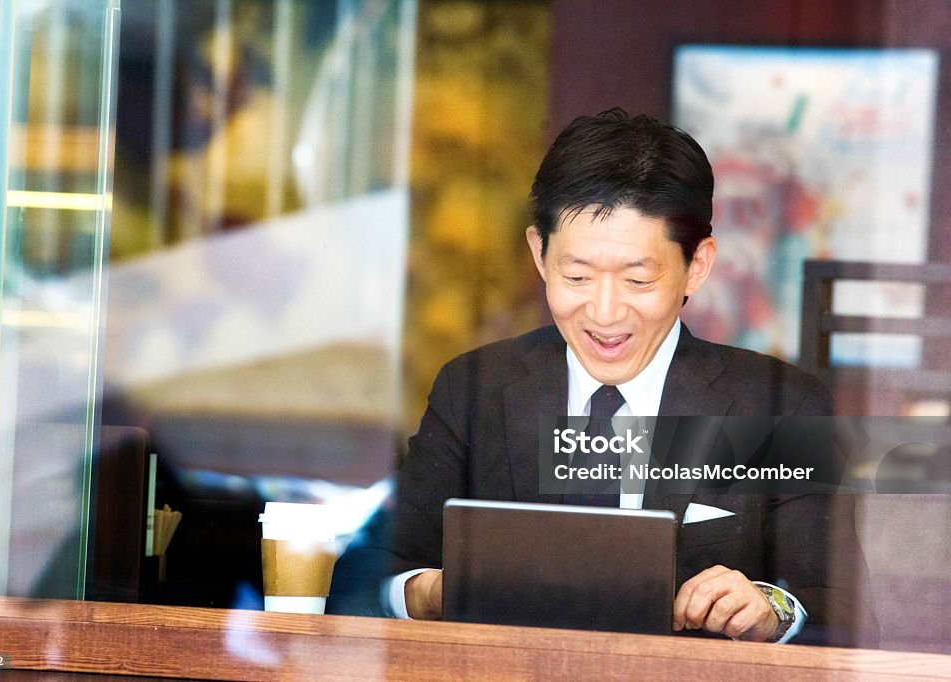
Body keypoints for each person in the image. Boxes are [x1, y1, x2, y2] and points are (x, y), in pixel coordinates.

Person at [330, 108, 874, 646]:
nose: (605, 313)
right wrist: (430, 595)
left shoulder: (781, 405)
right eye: (577, 275)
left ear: (698, 266)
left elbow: (847, 618)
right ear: (539, 254)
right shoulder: (476, 388)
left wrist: (772, 612)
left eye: (638, 280)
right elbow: (366, 575)